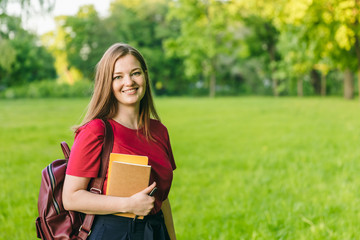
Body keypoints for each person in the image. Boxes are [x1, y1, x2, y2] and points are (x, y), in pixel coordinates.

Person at [62, 43, 176, 240]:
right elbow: (71, 197)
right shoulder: (96, 131)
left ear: (145, 76)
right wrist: (128, 205)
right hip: (113, 232)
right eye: (118, 77)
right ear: (107, 82)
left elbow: (162, 199)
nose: (129, 82)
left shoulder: (159, 131)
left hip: (156, 230)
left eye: (135, 73)